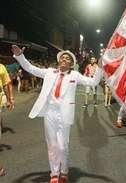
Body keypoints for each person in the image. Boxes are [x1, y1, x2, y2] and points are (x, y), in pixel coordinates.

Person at [12, 45, 104, 183]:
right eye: (62, 58)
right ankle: (54, 173)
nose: (64, 60)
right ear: (59, 61)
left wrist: (100, 67)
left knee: (63, 146)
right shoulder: (49, 72)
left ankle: (64, 171)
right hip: (50, 111)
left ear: (71, 64)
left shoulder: (75, 75)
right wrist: (20, 56)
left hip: (64, 113)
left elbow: (94, 82)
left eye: (68, 59)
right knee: (52, 145)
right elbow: (30, 68)